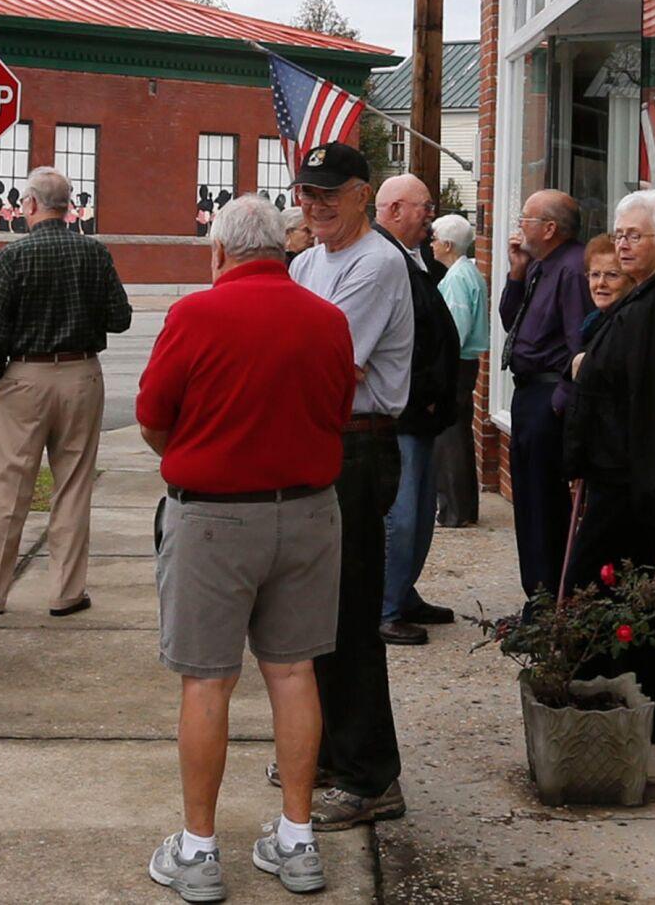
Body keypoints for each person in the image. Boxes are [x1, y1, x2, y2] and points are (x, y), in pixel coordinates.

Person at [139, 196, 356, 901]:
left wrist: (196, 455)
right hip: (306, 512)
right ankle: (297, 839)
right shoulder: (327, 320)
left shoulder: (193, 316)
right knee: (294, 674)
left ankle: (199, 851)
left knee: (206, 680)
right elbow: (338, 414)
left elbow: (152, 418)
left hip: (213, 520)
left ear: (220, 252)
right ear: (282, 250)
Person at [287, 142, 413, 830]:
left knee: (350, 615)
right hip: (319, 442)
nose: (315, 203)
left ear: (363, 193)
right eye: (307, 191)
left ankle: (371, 777)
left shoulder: (376, 263)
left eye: (329, 191)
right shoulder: (308, 262)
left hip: (358, 447)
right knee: (313, 611)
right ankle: (332, 752)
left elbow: (336, 363)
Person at [0, 166, 132, 617]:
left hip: (25, 374)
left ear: (31, 205)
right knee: (74, 486)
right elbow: (120, 318)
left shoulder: (11, 257)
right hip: (81, 372)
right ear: (68, 206)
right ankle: (66, 591)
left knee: (7, 488)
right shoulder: (94, 254)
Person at [563, 193, 655, 714]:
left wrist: (640, 489)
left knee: (602, 592)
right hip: (613, 476)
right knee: (606, 592)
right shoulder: (641, 299)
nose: (621, 243)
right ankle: (624, 700)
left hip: (628, 483)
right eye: (618, 233)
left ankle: (617, 706)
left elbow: (651, 405)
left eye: (633, 235)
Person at [373, 174, 460, 646]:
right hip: (402, 412)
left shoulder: (416, 257)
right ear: (395, 209)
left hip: (425, 413)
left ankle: (404, 594)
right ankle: (385, 607)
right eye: (424, 207)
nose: (431, 215)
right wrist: (420, 389)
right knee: (401, 515)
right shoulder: (384, 258)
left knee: (423, 511)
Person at [498, 189, 592, 602]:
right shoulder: (540, 265)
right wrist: (517, 272)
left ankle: (547, 604)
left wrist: (560, 405)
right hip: (526, 394)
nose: (520, 226)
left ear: (550, 228)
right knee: (529, 506)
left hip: (547, 399)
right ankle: (534, 601)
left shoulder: (573, 270)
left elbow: (582, 348)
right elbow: (510, 319)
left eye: (526, 219)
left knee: (544, 508)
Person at [431, 214, 489, 528]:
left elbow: (455, 329)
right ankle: (464, 506)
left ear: (448, 244)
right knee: (460, 434)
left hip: (457, 363)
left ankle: (453, 509)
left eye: (435, 238)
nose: (431, 243)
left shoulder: (456, 279)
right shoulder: (469, 272)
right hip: (466, 362)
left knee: (449, 436)